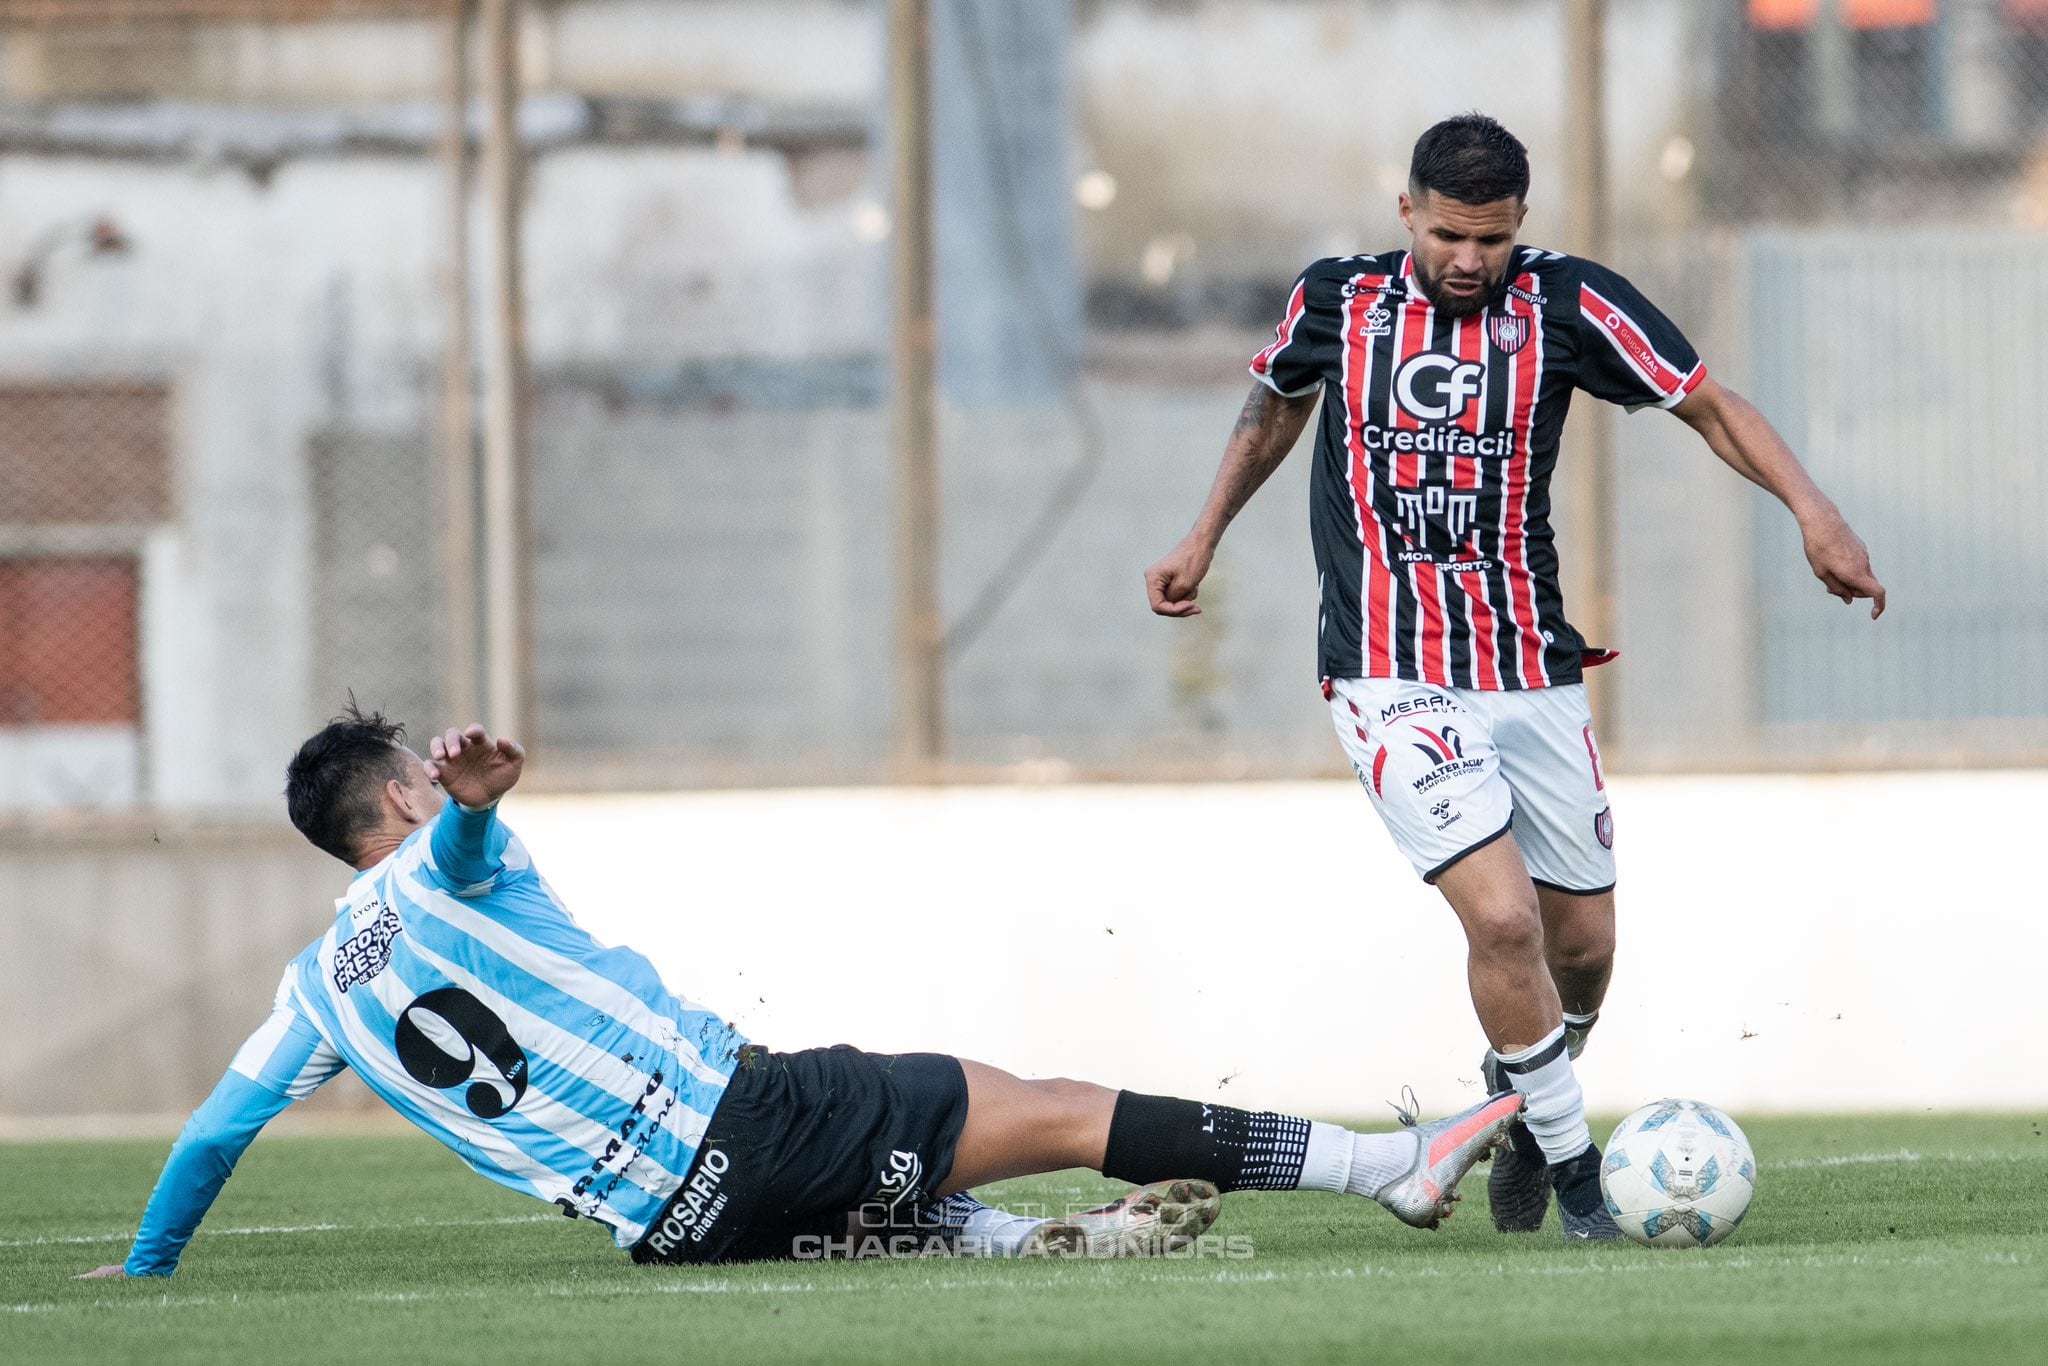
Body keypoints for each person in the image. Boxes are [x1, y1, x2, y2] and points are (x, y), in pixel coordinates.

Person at [1143, 114, 1884, 1240]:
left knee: (1581, 949)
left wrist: (1812, 511)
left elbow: (1707, 404)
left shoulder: (1571, 303)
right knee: (1500, 923)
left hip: (1528, 668)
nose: (1465, 261)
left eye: (1487, 241)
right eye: (1445, 235)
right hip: (1386, 671)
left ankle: (1515, 1099)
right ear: (1405, 213)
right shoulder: (1337, 302)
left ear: (1518, 226)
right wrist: (1202, 533)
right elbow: (1274, 403)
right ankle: (1577, 1181)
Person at [80, 708, 1523, 1279]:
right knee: (1061, 1104)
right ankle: (1387, 1166)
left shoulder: (308, 993)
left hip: (668, 1231)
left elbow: (209, 1140)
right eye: (427, 787)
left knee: (896, 1148)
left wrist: (144, 1272)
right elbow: (454, 856)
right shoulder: (449, 858)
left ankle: (995, 1239)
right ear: (401, 792)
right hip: (745, 1125)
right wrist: (476, 805)